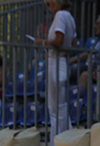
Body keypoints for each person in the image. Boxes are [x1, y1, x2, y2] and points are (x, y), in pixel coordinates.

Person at [32, 0, 76, 137]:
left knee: (56, 108)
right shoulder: (69, 17)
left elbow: (58, 41)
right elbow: (73, 45)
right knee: (60, 106)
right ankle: (67, 138)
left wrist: (42, 42)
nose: (48, 6)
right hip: (62, 62)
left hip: (56, 62)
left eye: (49, 3)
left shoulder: (60, 16)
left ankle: (56, 144)